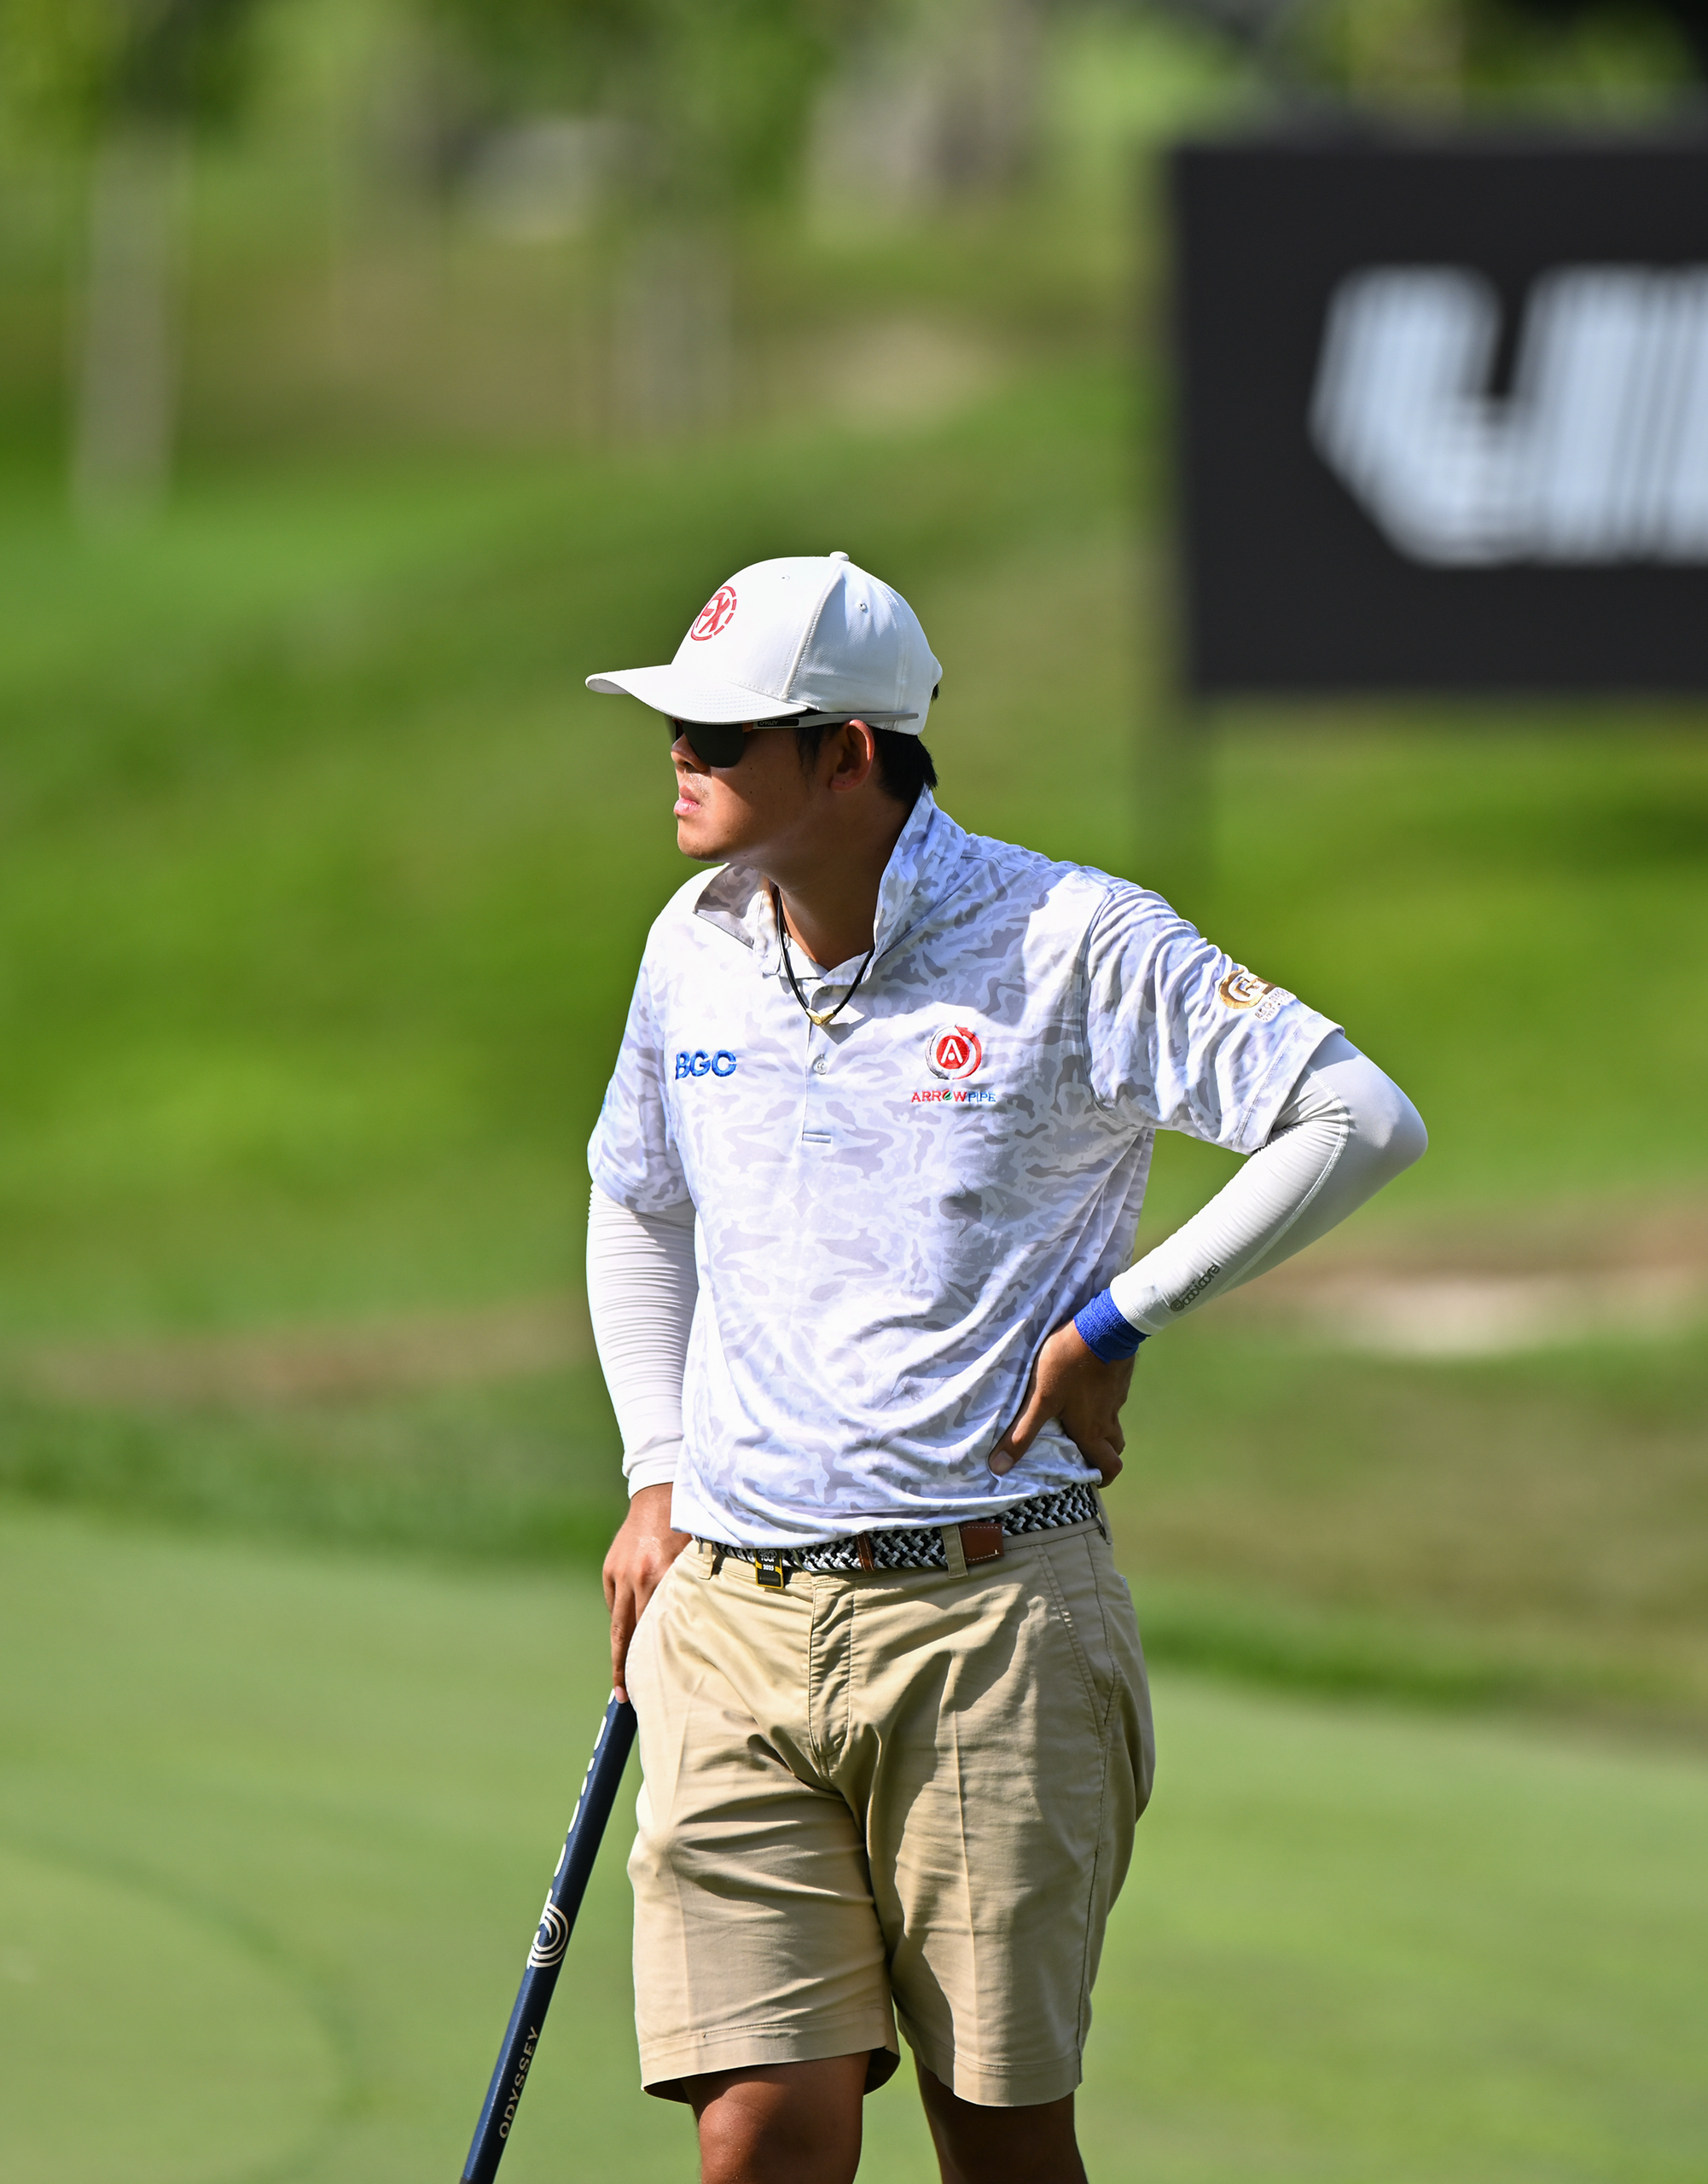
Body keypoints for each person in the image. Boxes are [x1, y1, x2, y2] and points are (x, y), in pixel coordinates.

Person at [578, 551, 1425, 2184]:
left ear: (847, 753)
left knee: (1000, 2145)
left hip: (989, 1626)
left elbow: (1356, 1117)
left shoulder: (1070, 940)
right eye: (676, 727)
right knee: (756, 2138)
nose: (680, 756)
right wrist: (654, 1468)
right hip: (732, 1622)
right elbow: (638, 1197)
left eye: (721, 734)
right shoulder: (692, 943)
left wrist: (1119, 1320)